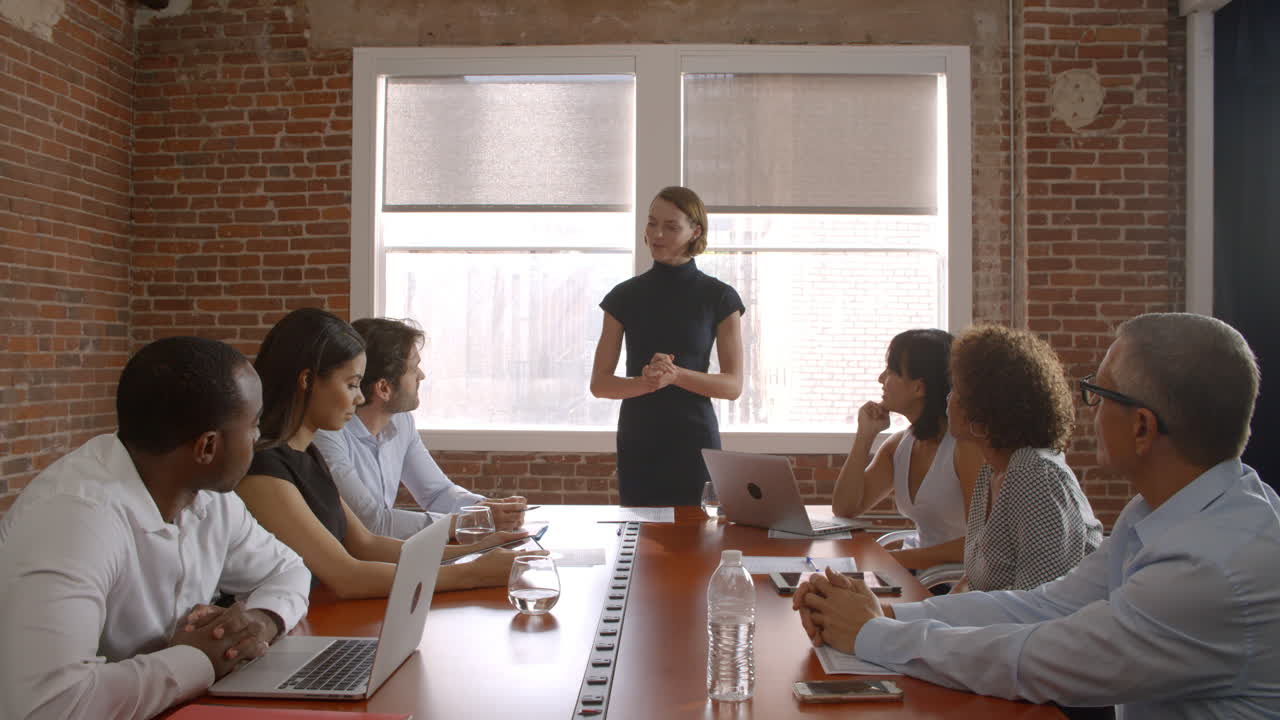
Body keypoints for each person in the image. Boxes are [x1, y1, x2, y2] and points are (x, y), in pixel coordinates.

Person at [795, 313, 1280, 718]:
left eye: (1099, 393)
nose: (1089, 407)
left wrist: (874, 633)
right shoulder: (1161, 511)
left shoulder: (1211, 567)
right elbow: (1044, 604)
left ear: (1141, 427)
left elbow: (1037, 659)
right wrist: (884, 611)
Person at [0, 337, 312, 720]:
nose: (258, 438)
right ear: (207, 447)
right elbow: (48, 707)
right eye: (253, 424)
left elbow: (289, 570)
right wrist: (197, 659)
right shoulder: (74, 519)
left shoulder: (207, 496)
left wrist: (259, 624)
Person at [235, 308, 534, 600]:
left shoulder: (306, 454)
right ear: (307, 381)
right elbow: (347, 576)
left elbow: (367, 544)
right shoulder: (264, 468)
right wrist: (473, 573)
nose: (361, 396)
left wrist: (476, 550)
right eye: (351, 384)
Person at [590, 186, 745, 506]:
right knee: (641, 547)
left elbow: (732, 386)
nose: (657, 234)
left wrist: (675, 376)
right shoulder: (623, 297)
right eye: (651, 223)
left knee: (701, 543)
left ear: (695, 232)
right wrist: (646, 383)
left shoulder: (720, 297)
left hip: (696, 442)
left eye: (671, 227)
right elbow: (600, 384)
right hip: (639, 441)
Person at [314, 317, 526, 540]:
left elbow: (437, 493)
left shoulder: (401, 421)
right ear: (384, 388)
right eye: (414, 368)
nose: (421, 376)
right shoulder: (327, 435)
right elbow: (372, 522)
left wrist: (484, 507)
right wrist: (471, 521)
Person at [943, 325, 1102, 592]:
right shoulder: (991, 472)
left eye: (956, 389)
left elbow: (1039, 609)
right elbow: (976, 582)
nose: (948, 399)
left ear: (985, 407)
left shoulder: (1035, 474)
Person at [830, 329, 983, 570]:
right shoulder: (900, 444)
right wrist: (865, 436)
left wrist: (890, 560)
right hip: (916, 574)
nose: (881, 378)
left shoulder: (965, 448)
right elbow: (846, 508)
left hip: (950, 583)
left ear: (918, 388)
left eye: (890, 371)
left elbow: (980, 544)